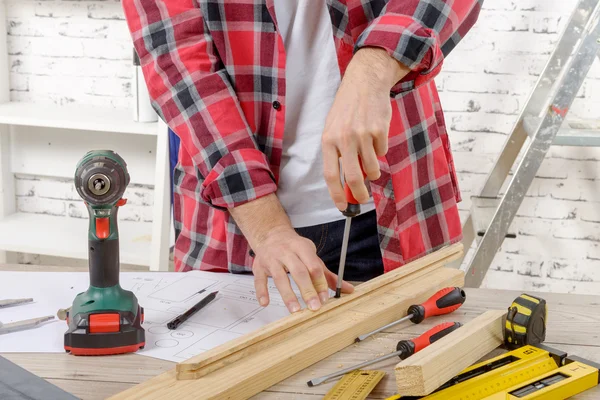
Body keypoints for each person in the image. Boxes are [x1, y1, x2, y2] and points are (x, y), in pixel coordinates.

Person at [122, 0, 480, 314]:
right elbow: (179, 67)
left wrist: (372, 70)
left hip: (394, 209)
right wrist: (269, 229)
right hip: (237, 230)